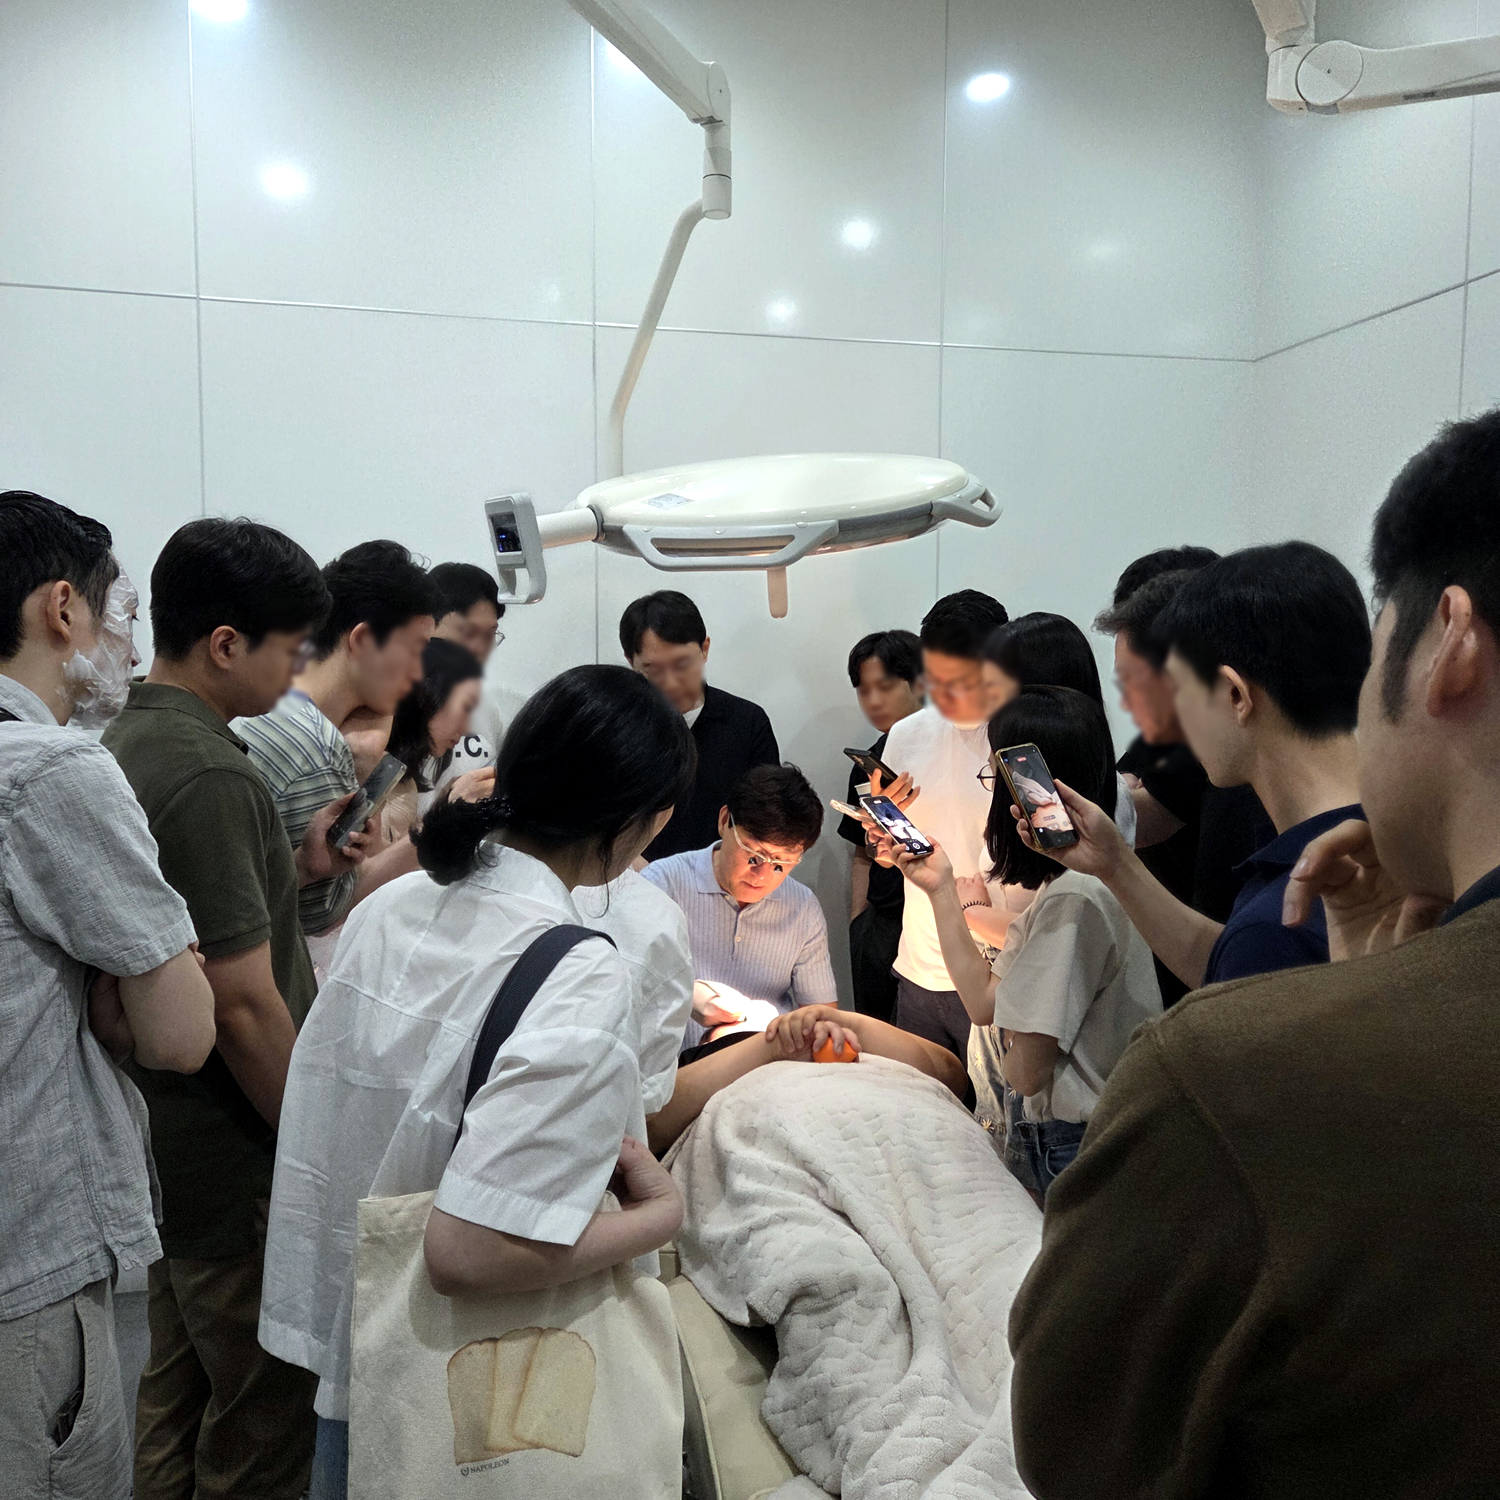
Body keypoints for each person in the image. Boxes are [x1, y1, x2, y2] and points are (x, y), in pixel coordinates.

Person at [1006, 412, 1500, 1497]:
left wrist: (1351, 1013)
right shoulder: (1315, 888)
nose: (1158, 730)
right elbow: (1235, 959)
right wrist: (1115, 864)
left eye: (1167, 696)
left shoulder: (1223, 1068)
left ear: (1452, 643)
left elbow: (1075, 1427)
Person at [258, 665, 698, 1498]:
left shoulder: (391, 907)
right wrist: (659, 1217)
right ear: (640, 823)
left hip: (365, 1344)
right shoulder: (580, 971)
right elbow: (469, 1251)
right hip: (469, 1388)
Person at [102, 517, 364, 1500]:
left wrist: (297, 871)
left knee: (171, 1397)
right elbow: (245, 1007)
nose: (298, 675)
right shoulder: (214, 772)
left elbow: (197, 927)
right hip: (237, 1158)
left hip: (165, 1146)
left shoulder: (128, 737)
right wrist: (319, 1152)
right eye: (290, 652)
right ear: (224, 643)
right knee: (260, 1423)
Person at [0, 493, 215, 1500]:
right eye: (113, 613)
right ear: (61, 610)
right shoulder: (51, 771)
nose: (126, 647)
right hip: (28, 1268)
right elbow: (181, 1033)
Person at [1023, 542, 1368, 991]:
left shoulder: (1286, 916)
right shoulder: (1389, 851)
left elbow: (1248, 967)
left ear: (1234, 694)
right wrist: (1115, 864)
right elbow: (1228, 962)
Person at [888, 687, 1160, 1198]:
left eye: (995, 778)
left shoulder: (1075, 898)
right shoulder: (1071, 886)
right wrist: (940, 888)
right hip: (1069, 1138)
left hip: (1074, 1144)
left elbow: (1025, 1072)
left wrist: (1015, 1029)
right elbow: (982, 1002)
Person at [237, 540, 435, 958]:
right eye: (415, 650)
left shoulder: (263, 702)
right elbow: (320, 914)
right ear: (362, 639)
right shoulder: (316, 746)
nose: (419, 673)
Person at [1096, 557, 1273, 1002]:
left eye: (1142, 685)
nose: (1130, 704)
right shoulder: (1229, 780)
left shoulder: (1242, 798)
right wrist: (1112, 861)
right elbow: (1221, 961)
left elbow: (1235, 984)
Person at [873, 589, 1010, 1060]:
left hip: (993, 968)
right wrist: (883, 840)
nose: (946, 696)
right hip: (918, 964)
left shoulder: (1020, 735)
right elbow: (889, 855)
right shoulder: (907, 734)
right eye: (936, 680)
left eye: (961, 680)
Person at [641, 762, 837, 1051]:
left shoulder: (802, 908)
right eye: (754, 855)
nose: (762, 876)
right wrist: (688, 996)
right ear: (724, 821)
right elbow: (627, 984)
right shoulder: (664, 884)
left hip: (764, 1061)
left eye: (781, 864)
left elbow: (822, 1017)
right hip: (674, 1064)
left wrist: (775, 1025)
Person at [619, 590, 779, 860]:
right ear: (630, 662)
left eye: (682, 664)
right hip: (637, 876)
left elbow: (767, 819)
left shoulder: (747, 723)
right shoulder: (618, 727)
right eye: (653, 671)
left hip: (724, 876)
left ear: (705, 649)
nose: (670, 683)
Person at [836, 629, 922, 1022]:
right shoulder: (867, 764)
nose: (873, 701)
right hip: (882, 922)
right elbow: (861, 852)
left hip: (935, 917)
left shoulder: (946, 751)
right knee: (876, 1033)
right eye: (863, 690)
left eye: (884, 687)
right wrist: (859, 919)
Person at [380, 637, 484, 843]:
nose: (466, 729)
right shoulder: (366, 764)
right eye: (464, 708)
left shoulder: (405, 784)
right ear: (426, 693)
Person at [428, 561, 505, 779]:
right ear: (430, 625)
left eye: (490, 634)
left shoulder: (487, 708)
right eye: (472, 632)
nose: (484, 648)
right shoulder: (392, 709)